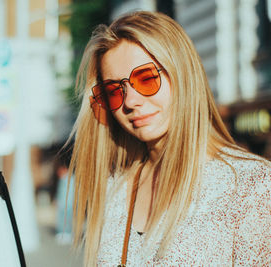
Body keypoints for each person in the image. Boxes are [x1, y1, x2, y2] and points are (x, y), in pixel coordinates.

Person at [68, 11, 271, 266]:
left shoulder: (251, 187)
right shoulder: (114, 187)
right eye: (114, 91)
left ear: (182, 74)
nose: (130, 101)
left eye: (146, 78)